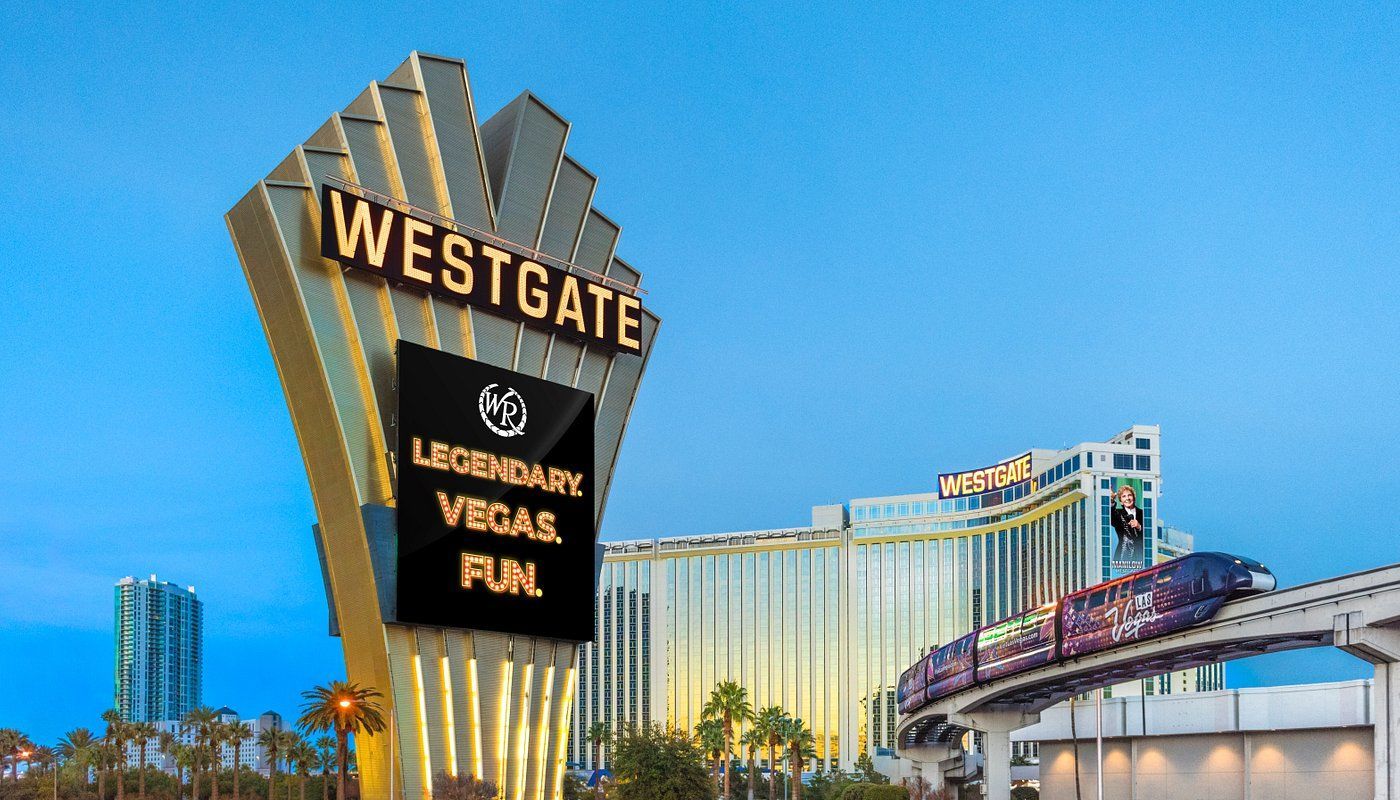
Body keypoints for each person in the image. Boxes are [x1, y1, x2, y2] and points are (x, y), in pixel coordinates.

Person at [1110, 484, 1145, 565]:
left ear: (1134, 497)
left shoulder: (1143, 513)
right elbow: (1111, 518)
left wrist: (1139, 526)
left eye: (1129, 495)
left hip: (1140, 556)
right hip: (1123, 556)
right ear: (1121, 501)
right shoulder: (1118, 514)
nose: (1127, 498)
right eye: (1124, 496)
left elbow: (1150, 534)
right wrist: (1111, 500)